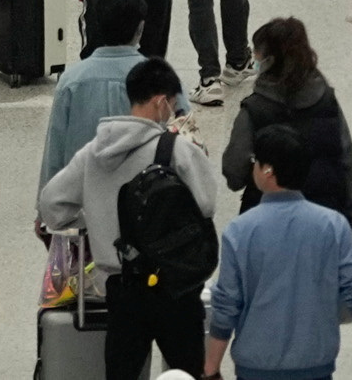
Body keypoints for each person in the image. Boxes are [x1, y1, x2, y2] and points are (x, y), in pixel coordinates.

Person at [46, 52, 236, 380]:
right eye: (175, 106)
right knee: (187, 372)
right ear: (161, 101)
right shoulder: (176, 150)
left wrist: (94, 218)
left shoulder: (92, 153)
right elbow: (206, 205)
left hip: (121, 289)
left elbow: (52, 207)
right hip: (176, 285)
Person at [205, 133, 352, 380]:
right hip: (315, 365)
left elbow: (226, 304)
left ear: (267, 170)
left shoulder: (240, 231)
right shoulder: (332, 225)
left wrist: (212, 368)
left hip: (256, 367)